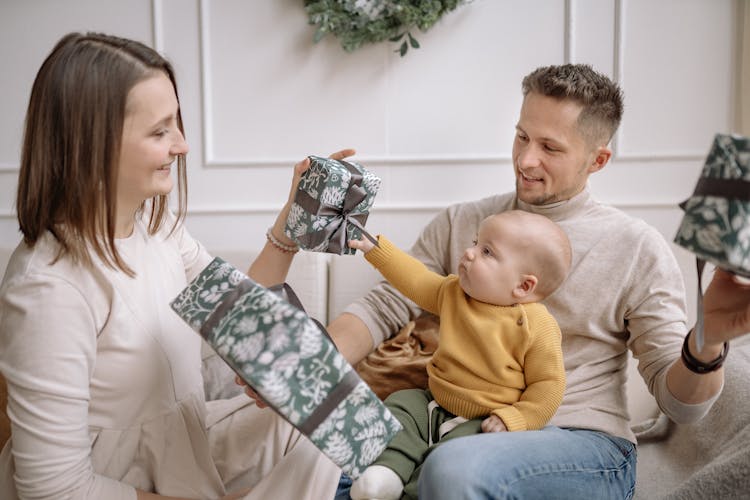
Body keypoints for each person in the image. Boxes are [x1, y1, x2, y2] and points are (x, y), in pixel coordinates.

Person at [325, 63, 750, 499]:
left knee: (451, 470)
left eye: (550, 147)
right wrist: (308, 372)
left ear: (597, 160)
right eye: (522, 136)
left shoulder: (636, 247)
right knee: (328, 471)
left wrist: (708, 341)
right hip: (453, 422)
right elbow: (382, 308)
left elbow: (680, 405)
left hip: (581, 442)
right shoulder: (463, 222)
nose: (526, 160)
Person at [0, 31, 352, 500]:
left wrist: (291, 226)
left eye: (177, 125)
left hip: (180, 446)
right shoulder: (48, 286)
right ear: (93, 144)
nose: (182, 145)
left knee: (324, 416)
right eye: (160, 130)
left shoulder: (156, 226)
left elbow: (237, 314)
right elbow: (53, 489)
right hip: (108, 481)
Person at [346, 210, 571, 500]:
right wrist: (376, 250)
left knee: (455, 457)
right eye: (476, 242)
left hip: (485, 418)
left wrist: (513, 419)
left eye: (487, 252)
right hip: (433, 400)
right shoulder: (453, 292)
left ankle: (415, 491)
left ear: (523, 286)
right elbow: (416, 280)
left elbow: (549, 386)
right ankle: (387, 474)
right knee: (399, 404)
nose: (469, 252)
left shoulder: (536, 326)